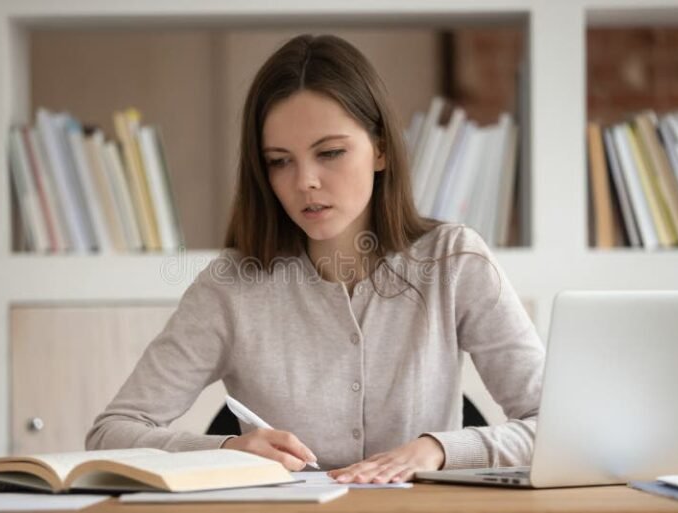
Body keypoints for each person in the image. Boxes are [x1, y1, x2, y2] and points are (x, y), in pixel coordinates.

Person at [86, 34, 545, 484]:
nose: (305, 181)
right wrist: (224, 450)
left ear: (381, 149)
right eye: (279, 161)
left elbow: (556, 426)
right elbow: (111, 433)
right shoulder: (230, 286)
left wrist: (441, 449)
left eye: (330, 153)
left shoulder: (455, 262)